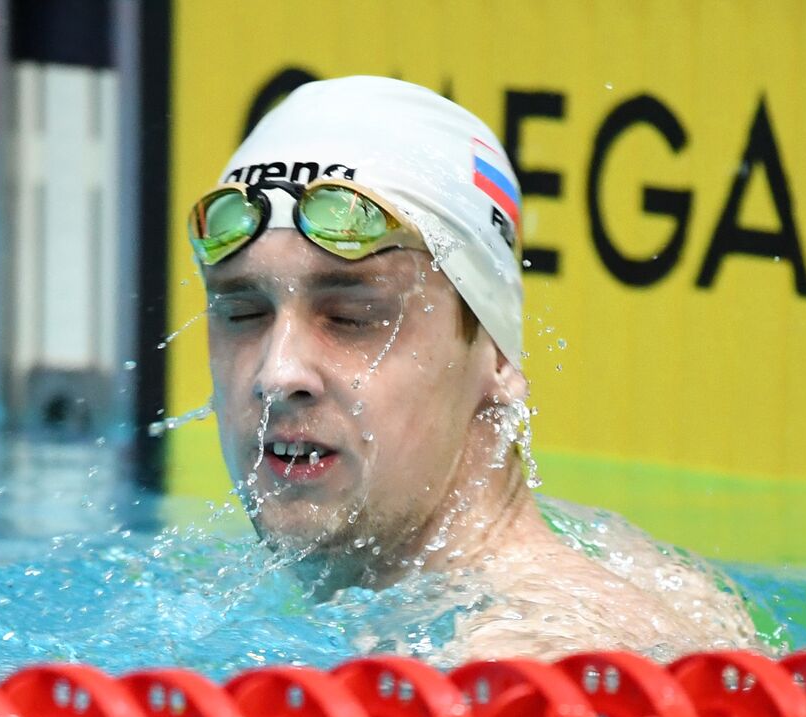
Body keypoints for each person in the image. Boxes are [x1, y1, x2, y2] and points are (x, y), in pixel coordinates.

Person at [186, 76, 758, 660]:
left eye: (353, 316)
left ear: (497, 350)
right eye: (244, 311)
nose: (278, 374)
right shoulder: (632, 567)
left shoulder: (527, 664)